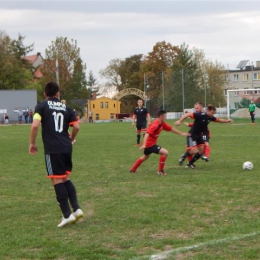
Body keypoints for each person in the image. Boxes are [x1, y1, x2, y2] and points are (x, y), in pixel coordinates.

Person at [29, 82, 83, 227]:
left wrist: (32, 143)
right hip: (66, 147)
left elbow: (35, 125)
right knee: (65, 177)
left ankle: (66, 215)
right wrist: (71, 139)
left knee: (56, 180)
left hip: (53, 149)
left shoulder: (42, 106)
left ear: (45, 94)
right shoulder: (66, 107)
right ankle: (76, 209)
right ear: (58, 94)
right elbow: (76, 126)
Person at [130, 109, 189, 175]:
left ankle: (133, 169)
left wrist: (181, 133)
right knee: (165, 153)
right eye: (165, 116)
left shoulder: (162, 124)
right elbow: (147, 134)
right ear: (161, 116)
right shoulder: (156, 124)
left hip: (150, 144)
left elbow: (171, 129)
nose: (165, 118)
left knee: (145, 157)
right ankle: (160, 171)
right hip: (150, 144)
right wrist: (144, 144)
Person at [175, 104, 232, 169]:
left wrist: (227, 121)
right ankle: (184, 156)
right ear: (208, 111)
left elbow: (218, 120)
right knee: (194, 151)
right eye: (212, 113)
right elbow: (188, 115)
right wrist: (179, 121)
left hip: (199, 135)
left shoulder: (210, 117)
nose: (213, 114)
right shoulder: (200, 115)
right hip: (192, 135)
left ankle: (190, 163)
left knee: (202, 151)